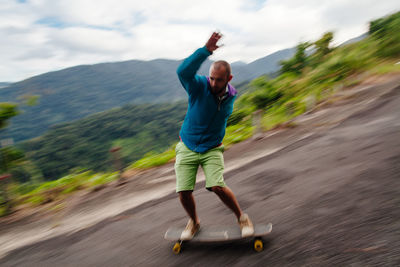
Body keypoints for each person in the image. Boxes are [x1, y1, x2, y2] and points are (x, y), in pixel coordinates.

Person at [175, 31, 254, 240]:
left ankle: (241, 217)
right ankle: (194, 222)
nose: (213, 83)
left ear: (228, 79)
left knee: (217, 186)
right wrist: (205, 51)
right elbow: (183, 72)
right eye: (211, 78)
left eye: (218, 80)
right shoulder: (199, 86)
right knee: (183, 191)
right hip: (188, 144)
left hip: (212, 148)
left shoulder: (231, 96)